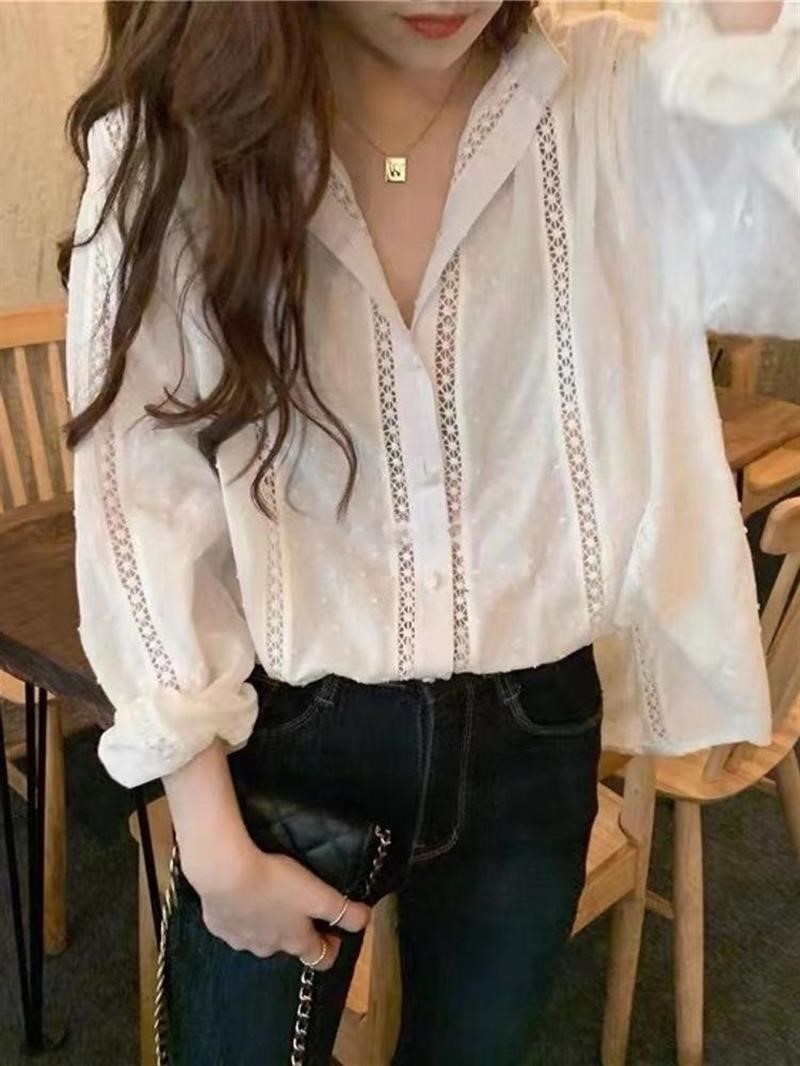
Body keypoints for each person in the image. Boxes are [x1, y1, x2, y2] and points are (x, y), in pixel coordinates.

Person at [60, 2, 799, 1063]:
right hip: (292, 730)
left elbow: (768, 245)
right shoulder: (177, 131)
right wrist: (209, 834)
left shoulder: (599, 99)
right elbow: (140, 489)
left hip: (535, 728)